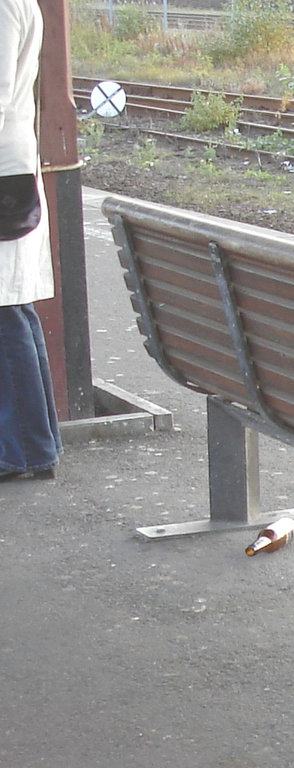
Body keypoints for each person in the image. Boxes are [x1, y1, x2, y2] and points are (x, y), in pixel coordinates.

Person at [0, 0, 61, 481]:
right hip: (10, 165)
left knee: (5, 309)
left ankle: (23, 449)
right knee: (12, 308)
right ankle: (34, 443)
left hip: (3, 170)